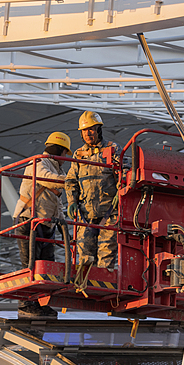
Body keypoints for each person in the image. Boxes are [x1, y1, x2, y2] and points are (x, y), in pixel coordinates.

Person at [13, 131, 71, 318]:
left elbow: (58, 202)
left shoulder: (58, 170)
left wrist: (64, 228)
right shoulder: (38, 163)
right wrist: (70, 181)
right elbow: (46, 178)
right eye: (65, 154)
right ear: (60, 151)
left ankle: (40, 303)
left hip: (46, 223)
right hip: (29, 220)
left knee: (46, 267)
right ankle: (25, 304)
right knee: (30, 263)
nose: (66, 158)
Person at [65, 111, 120, 272]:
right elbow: (71, 180)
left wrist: (120, 194)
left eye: (91, 129)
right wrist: (71, 202)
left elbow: (124, 173)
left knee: (106, 258)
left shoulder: (112, 149)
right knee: (84, 260)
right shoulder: (79, 154)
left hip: (109, 215)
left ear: (98, 130)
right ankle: (85, 289)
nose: (88, 133)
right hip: (85, 216)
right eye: (84, 130)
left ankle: (104, 286)